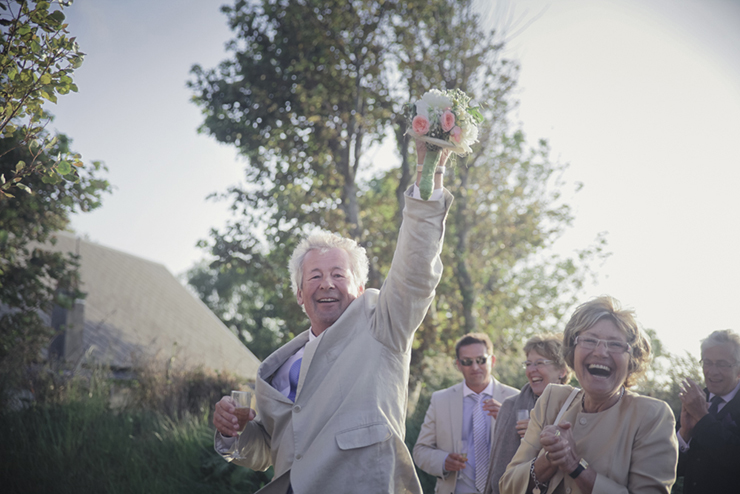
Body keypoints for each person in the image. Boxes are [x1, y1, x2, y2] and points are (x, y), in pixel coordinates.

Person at [211, 141, 453, 494]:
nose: (327, 283)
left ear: (359, 287)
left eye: (339, 275)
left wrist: (427, 177)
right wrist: (232, 431)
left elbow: (415, 273)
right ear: (299, 295)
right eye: (315, 276)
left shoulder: (382, 325)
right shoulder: (275, 371)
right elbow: (265, 452)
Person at [499, 296, 678, 494]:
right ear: (572, 351)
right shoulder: (552, 400)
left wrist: (575, 466)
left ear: (632, 360)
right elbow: (508, 485)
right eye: (589, 340)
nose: (600, 352)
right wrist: (549, 459)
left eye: (615, 344)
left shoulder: (651, 416)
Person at [413, 333, 518, 494]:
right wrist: (442, 461)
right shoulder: (440, 400)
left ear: (493, 360)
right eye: (467, 362)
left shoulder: (515, 398)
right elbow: (420, 450)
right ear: (458, 364)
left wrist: (507, 422)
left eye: (481, 360)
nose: (475, 367)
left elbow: (530, 448)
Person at [484, 333, 572, 494]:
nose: (531, 370)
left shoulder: (577, 407)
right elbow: (496, 465)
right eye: (528, 364)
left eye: (539, 363)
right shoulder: (510, 406)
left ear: (562, 371)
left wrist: (538, 435)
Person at [676, 329, 740, 494]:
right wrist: (684, 435)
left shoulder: (697, 408)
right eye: (707, 362)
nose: (712, 371)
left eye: (722, 364)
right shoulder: (694, 401)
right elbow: (674, 470)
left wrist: (702, 418)